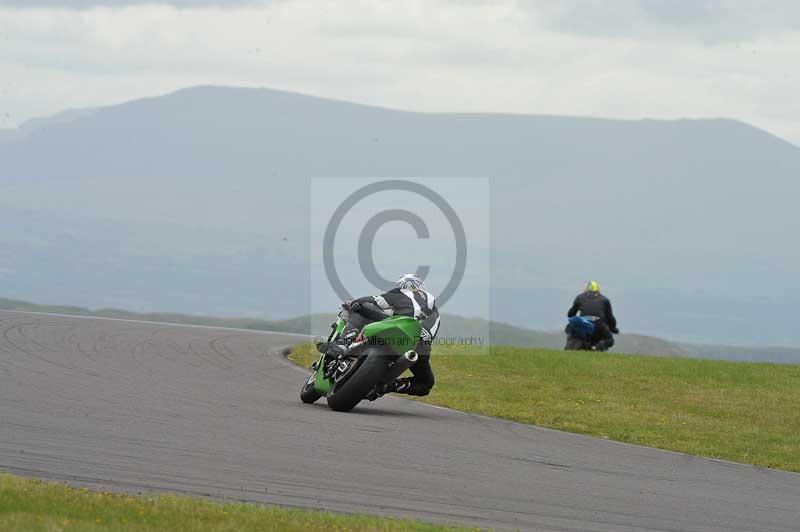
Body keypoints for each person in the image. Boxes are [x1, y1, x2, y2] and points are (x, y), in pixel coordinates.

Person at [343, 273, 440, 398]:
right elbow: (431, 333)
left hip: (397, 328)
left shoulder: (402, 293)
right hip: (418, 345)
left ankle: (344, 342)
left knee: (358, 307)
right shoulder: (434, 309)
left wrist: (356, 302)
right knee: (426, 383)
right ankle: (387, 386)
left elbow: (377, 300)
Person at [567, 281, 619, 351]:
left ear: (586, 289)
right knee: (610, 340)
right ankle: (597, 347)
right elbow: (610, 318)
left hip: (583, 325)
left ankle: (571, 346)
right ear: (598, 289)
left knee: (569, 328)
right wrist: (614, 329)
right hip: (599, 326)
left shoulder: (579, 297)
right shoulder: (605, 300)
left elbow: (570, 314)